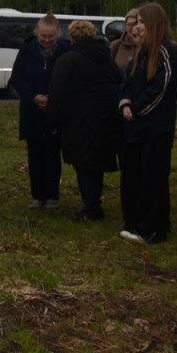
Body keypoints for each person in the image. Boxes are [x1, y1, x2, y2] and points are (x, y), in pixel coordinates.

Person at [118, 2, 177, 245]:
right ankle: (135, 222)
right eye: (136, 22)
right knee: (134, 175)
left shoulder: (168, 51)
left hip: (156, 128)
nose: (138, 26)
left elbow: (161, 89)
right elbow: (127, 81)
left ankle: (153, 229)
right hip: (136, 126)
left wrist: (137, 109)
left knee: (153, 177)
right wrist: (124, 103)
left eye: (142, 21)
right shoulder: (141, 51)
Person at [47, 20, 121, 222]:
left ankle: (92, 207)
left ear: (71, 37)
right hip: (104, 120)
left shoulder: (68, 60)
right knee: (95, 164)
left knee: (83, 164)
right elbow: (118, 82)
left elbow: (57, 92)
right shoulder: (106, 57)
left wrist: (53, 120)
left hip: (78, 121)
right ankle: (94, 203)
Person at [10, 13, 69, 209]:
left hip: (55, 111)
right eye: (43, 36)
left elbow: (70, 80)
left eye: (50, 36)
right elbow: (17, 78)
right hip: (32, 110)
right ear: (37, 32)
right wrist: (33, 96)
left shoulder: (66, 49)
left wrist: (53, 99)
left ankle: (52, 195)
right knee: (34, 155)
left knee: (53, 155)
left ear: (57, 33)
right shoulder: (27, 48)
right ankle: (37, 195)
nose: (46, 40)